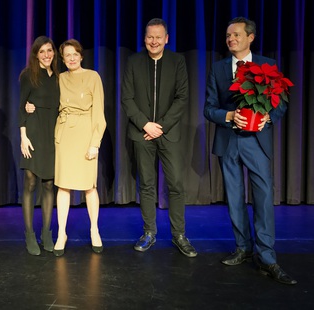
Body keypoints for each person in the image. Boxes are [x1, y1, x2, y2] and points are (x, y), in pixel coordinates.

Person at [204, 17, 296, 285]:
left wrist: (270, 116)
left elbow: (280, 103)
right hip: (229, 141)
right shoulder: (218, 69)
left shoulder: (267, 65)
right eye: (227, 35)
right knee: (234, 198)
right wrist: (229, 115)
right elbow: (208, 108)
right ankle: (243, 249)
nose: (230, 39)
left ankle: (267, 257)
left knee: (264, 197)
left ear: (250, 37)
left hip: (257, 141)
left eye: (235, 34)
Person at [121, 18, 196, 257]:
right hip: (141, 132)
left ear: (166, 39)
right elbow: (127, 98)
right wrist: (145, 124)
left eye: (158, 37)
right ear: (145, 38)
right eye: (149, 37)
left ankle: (179, 235)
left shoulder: (177, 61)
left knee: (175, 185)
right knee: (147, 184)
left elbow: (182, 98)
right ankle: (149, 232)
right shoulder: (133, 62)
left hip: (168, 132)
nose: (153, 41)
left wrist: (160, 126)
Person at [52, 39, 106, 256]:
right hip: (64, 133)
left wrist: (95, 143)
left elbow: (99, 114)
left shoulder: (93, 77)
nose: (72, 58)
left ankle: (94, 229)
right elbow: (47, 102)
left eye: (75, 54)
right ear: (62, 59)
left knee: (89, 186)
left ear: (81, 56)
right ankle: (61, 233)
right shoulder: (59, 79)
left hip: (85, 133)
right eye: (67, 55)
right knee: (63, 186)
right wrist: (30, 106)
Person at [18, 36, 60, 255]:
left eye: (49, 50)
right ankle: (29, 234)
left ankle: (46, 232)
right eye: (42, 51)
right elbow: (21, 107)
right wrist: (23, 136)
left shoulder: (59, 77)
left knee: (49, 183)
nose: (46, 55)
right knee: (31, 181)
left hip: (52, 134)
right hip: (33, 133)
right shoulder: (28, 75)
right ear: (35, 54)